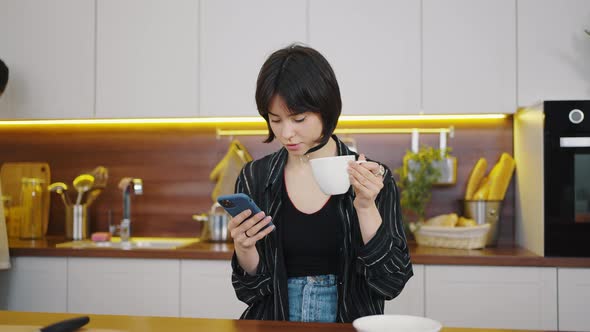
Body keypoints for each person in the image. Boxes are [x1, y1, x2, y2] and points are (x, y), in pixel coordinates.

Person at [227, 44, 413, 323]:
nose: (286, 133)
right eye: (275, 120)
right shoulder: (255, 177)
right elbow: (249, 291)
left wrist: (365, 206)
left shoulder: (373, 179)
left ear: (326, 110)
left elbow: (391, 283)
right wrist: (244, 249)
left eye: (299, 119)